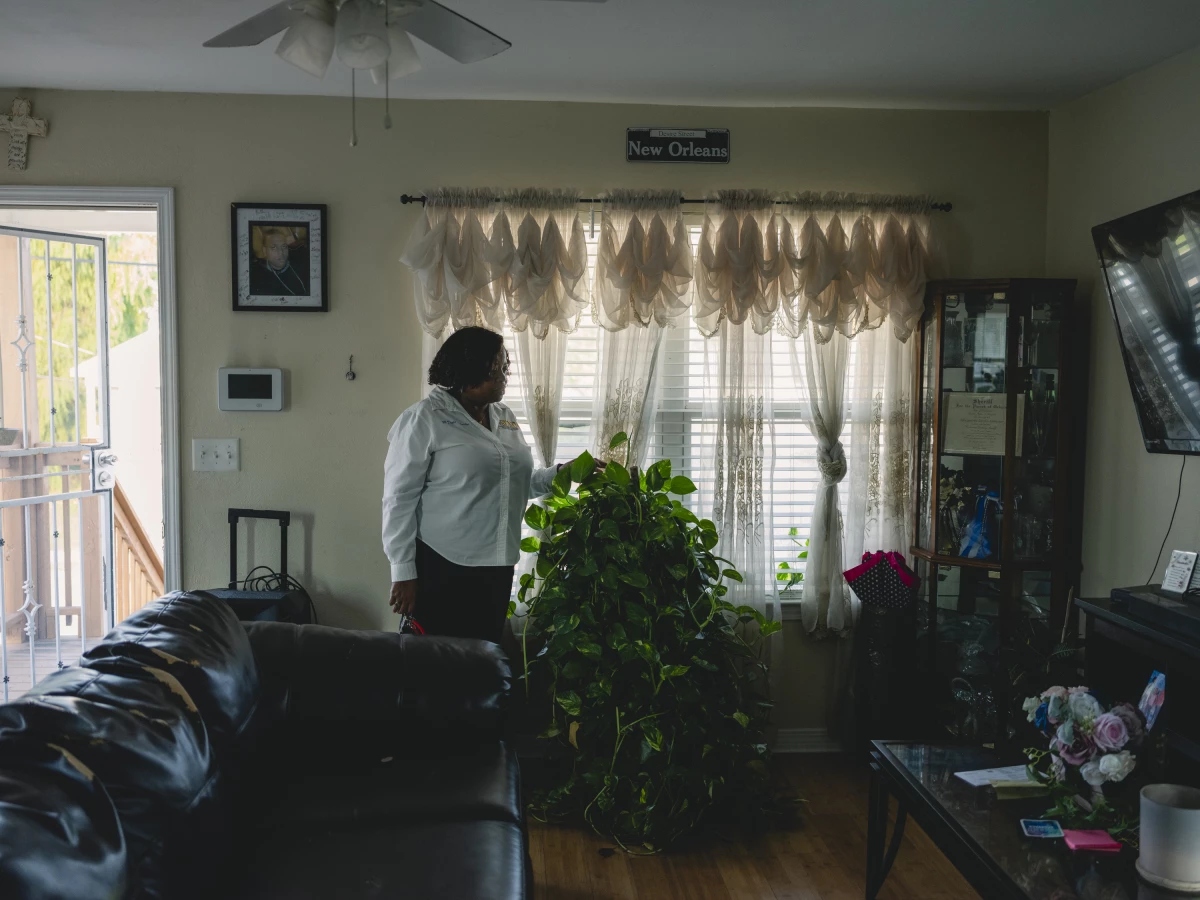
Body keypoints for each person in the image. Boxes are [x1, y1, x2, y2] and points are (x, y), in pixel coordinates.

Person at [381, 327, 597, 643]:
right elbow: (398, 500)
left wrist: (565, 472)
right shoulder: (423, 419)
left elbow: (520, 483)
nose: (506, 373)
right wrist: (403, 572)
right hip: (441, 567)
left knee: (482, 665)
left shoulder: (505, 417)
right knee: (436, 669)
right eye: (499, 367)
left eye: (506, 366)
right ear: (471, 371)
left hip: (497, 568)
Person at [249, 226, 309, 296]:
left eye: (284, 246)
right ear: (264, 251)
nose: (281, 252)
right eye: (274, 247)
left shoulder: (302, 259)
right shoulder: (256, 278)